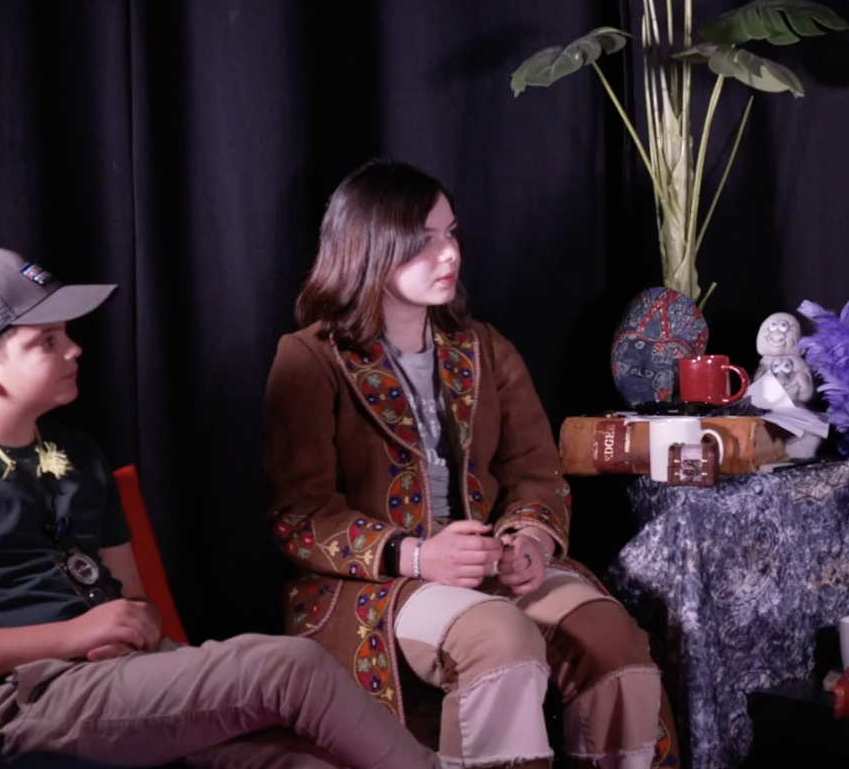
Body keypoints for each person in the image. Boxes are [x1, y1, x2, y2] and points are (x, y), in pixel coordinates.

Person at [0, 248, 443, 769]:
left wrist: (132, 627)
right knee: (294, 667)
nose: (74, 348)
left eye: (65, 333)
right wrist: (69, 637)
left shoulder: (79, 453)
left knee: (305, 760)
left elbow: (132, 598)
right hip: (22, 697)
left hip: (122, 674)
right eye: (44, 341)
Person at [264, 160, 672, 769]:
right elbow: (300, 517)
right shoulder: (307, 360)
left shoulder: (483, 347)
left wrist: (527, 538)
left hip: (488, 568)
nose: (448, 254)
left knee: (614, 640)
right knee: (499, 639)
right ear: (370, 248)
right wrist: (420, 555)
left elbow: (536, 470)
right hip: (378, 585)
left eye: (450, 233)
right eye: (423, 241)